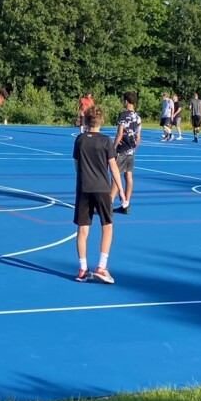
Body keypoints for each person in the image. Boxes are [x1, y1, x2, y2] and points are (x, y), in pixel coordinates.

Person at [73, 105, 125, 283]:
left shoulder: (79, 140)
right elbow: (114, 169)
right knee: (107, 226)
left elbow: (76, 165)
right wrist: (122, 192)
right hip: (102, 188)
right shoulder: (105, 141)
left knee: (82, 229)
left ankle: (82, 269)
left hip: (83, 188)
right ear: (101, 121)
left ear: (86, 121)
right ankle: (101, 267)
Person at [110, 91, 141, 214]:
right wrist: (133, 149)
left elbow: (120, 133)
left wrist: (113, 147)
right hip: (131, 150)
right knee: (128, 175)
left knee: (116, 176)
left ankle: (109, 203)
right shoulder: (138, 117)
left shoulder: (123, 115)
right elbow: (138, 138)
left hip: (122, 149)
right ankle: (126, 203)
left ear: (126, 101)